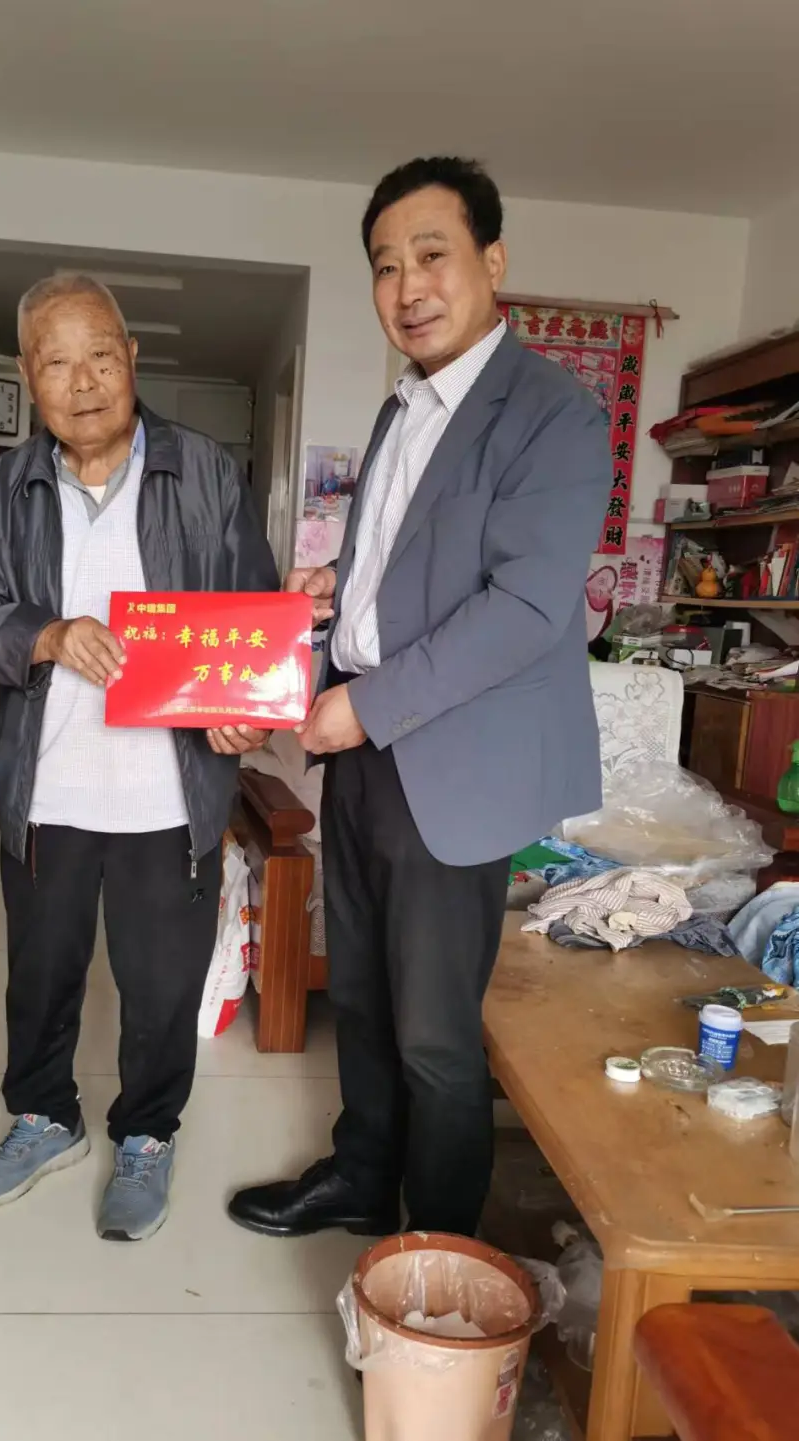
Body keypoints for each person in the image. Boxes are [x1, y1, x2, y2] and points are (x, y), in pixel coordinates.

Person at [228, 157, 611, 1241]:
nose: (409, 288)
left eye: (432, 255)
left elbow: (524, 607)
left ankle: (438, 1254)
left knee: (436, 1032)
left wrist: (365, 706)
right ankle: (363, 1179)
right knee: (359, 993)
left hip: (451, 758)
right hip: (363, 750)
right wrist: (336, 587)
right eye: (386, 266)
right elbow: (415, 565)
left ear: (493, 260)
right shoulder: (403, 409)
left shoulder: (555, 414)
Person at [0, 273, 278, 1240]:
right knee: (41, 973)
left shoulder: (205, 471)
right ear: (28, 376)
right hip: (48, 790)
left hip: (168, 792)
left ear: (132, 359)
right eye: (57, 362)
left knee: (160, 984)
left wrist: (245, 714)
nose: (83, 382)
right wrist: (47, 635)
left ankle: (147, 1132)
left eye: (100, 356)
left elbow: (251, 616)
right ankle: (45, 1116)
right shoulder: (8, 486)